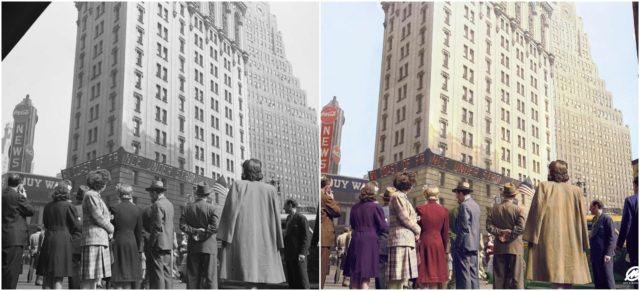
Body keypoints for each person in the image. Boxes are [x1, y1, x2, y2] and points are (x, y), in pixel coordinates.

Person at [217, 159, 286, 286]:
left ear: (246, 171)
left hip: (243, 239)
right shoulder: (271, 190)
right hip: (266, 239)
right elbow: (277, 218)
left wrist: (225, 237)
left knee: (246, 278)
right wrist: (279, 242)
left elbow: (229, 213)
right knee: (263, 279)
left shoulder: (238, 186)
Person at [523, 160, 591, 288]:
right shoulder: (577, 191)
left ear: (551, 173)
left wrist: (531, 236)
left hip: (550, 240)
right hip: (572, 240)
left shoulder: (544, 187)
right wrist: (584, 241)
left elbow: (535, 214)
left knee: (555, 278)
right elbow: (583, 218)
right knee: (568, 276)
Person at [36, 181, 81, 289]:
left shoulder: (47, 206)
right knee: (58, 277)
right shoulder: (69, 206)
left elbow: (45, 223)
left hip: (49, 239)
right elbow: (76, 227)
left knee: (47, 276)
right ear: (67, 192)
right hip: (63, 241)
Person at [343, 181, 388, 289]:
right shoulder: (376, 207)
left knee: (355, 276)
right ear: (373, 193)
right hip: (370, 241)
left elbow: (352, 224)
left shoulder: (354, 207)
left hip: (356, 239)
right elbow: (383, 227)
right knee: (365, 278)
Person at [486, 183, 525, 289]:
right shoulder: (519, 210)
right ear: (514, 196)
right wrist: (508, 236)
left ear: (503, 195)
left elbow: (489, 227)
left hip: (499, 248)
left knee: (499, 279)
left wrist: (500, 233)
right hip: (515, 248)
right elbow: (521, 228)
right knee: (517, 279)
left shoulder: (493, 209)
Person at [179, 183, 218, 289]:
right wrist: (204, 232)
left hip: (193, 248)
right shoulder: (212, 208)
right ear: (207, 195)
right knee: (211, 279)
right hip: (209, 247)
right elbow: (215, 227)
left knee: (193, 279)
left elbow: (182, 226)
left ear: (197, 194)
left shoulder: (187, 208)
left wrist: (195, 231)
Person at [80, 169, 114, 289]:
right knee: (90, 277)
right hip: (94, 239)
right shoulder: (91, 195)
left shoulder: (95, 195)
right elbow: (98, 217)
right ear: (101, 184)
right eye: (105, 183)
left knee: (94, 278)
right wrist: (111, 228)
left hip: (97, 239)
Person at [386, 171, 421, 289]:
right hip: (400, 240)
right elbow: (404, 218)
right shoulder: (397, 196)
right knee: (397, 278)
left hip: (404, 240)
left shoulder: (402, 197)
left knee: (402, 278)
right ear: (408, 185)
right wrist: (418, 229)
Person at [2, 173, 35, 289]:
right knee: (11, 271)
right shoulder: (18, 197)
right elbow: (31, 210)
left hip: (4, 235)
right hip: (14, 238)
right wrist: (24, 196)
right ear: (20, 184)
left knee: (4, 269)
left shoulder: (3, 194)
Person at [109, 183, 143, 289]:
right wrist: (139, 250)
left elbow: (110, 228)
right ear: (131, 194)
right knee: (128, 278)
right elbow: (139, 232)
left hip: (117, 243)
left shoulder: (113, 208)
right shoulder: (137, 210)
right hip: (132, 244)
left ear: (119, 193)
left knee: (118, 277)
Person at [415, 185, 449, 289]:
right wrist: (444, 248)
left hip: (425, 242)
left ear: (425, 195)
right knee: (435, 276)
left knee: (424, 275)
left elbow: (417, 227)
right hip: (438, 244)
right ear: (437, 195)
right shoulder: (444, 211)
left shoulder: (420, 209)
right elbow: (445, 232)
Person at [146, 180, 174, 289]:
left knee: (157, 274)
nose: (150, 196)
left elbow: (156, 226)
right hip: (168, 244)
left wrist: (151, 243)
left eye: (150, 194)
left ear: (154, 193)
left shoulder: (157, 204)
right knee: (167, 273)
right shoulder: (170, 204)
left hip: (158, 244)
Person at [452, 181, 480, 289]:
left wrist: (457, 244)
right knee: (473, 274)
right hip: (474, 245)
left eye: (456, 194)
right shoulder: (476, 205)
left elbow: (463, 228)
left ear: (461, 193)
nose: (456, 197)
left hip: (464, 246)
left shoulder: (464, 206)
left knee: (463, 275)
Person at [283, 199, 311, 289]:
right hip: (289, 254)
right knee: (292, 281)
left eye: (285, 206)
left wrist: (302, 253)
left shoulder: (301, 218)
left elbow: (306, 237)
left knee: (302, 280)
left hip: (299, 255)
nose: (284, 208)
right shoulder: (288, 218)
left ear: (290, 205)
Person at [589, 200, 616, 289]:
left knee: (608, 280)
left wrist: (608, 254)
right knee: (598, 281)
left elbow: (611, 237)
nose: (589, 209)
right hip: (595, 256)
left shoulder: (607, 219)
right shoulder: (594, 219)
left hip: (605, 257)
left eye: (591, 207)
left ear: (597, 206)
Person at [320, 175, 341, 288]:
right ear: (327, 186)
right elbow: (338, 211)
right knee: (322, 268)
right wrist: (332, 198)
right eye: (330, 187)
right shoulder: (325, 197)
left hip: (320, 236)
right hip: (325, 237)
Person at [69, 185, 88, 289]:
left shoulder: (72, 208)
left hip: (74, 242)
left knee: (74, 270)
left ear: (77, 197)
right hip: (87, 243)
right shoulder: (90, 209)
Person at [617, 176, 638, 266]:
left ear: (635, 185)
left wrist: (619, 244)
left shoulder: (630, 200)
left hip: (635, 246)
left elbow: (626, 225)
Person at [375, 187, 393, 290]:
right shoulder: (397, 212)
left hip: (381, 243)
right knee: (393, 271)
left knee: (380, 270)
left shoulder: (379, 210)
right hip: (394, 244)